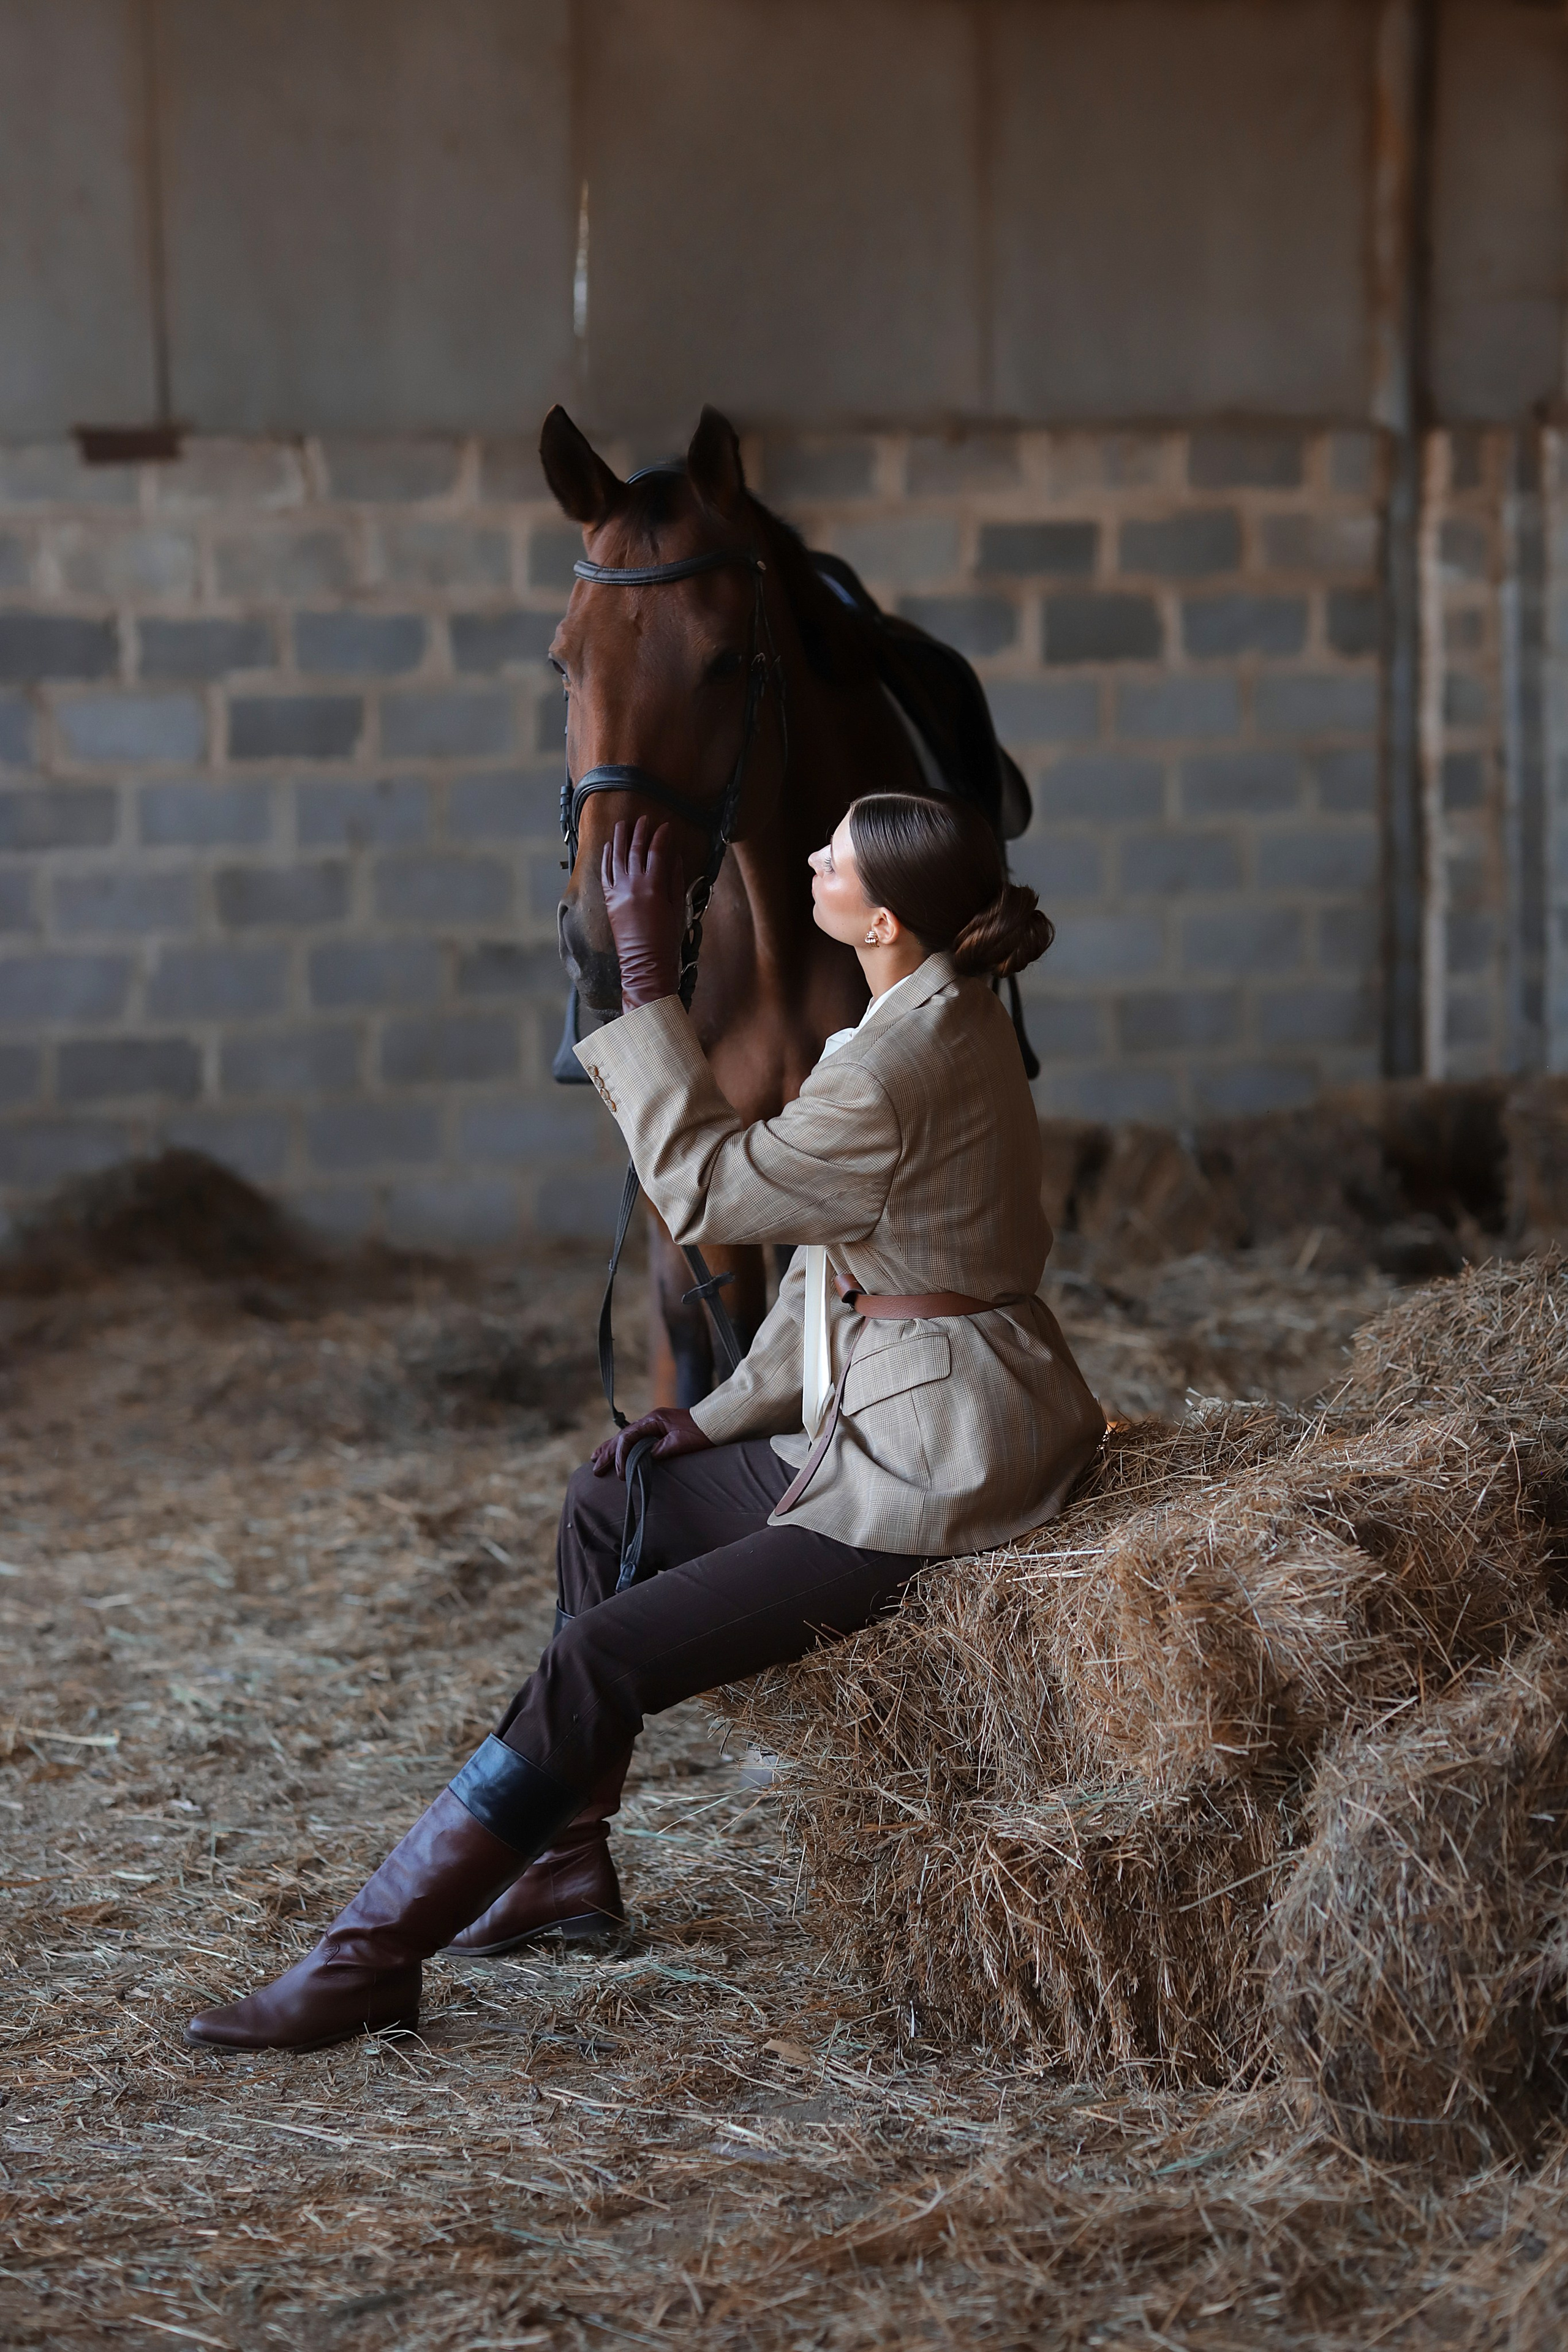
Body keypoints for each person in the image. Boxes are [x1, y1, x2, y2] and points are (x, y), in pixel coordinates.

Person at [184, 793, 1106, 2052]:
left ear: (880, 919)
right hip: (895, 1407)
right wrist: (712, 1417)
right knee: (609, 1500)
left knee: (598, 1659)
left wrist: (638, 975)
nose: (809, 857)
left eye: (831, 853)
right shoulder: (925, 1016)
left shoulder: (899, 1061)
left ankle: (368, 1958)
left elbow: (707, 1187)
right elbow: (838, 1268)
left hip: (934, 1461)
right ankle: (562, 1868)